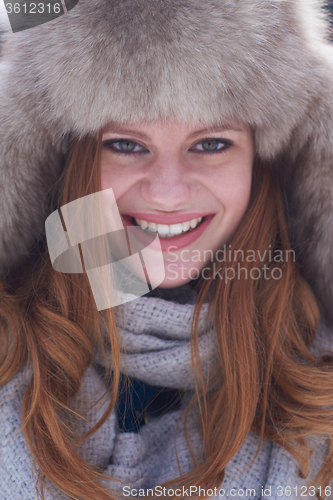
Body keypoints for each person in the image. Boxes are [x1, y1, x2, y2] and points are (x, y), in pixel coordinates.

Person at [1, 1, 333, 499]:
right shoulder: (11, 350)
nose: (168, 193)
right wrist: (67, 248)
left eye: (213, 143)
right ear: (66, 159)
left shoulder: (318, 386)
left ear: (265, 166)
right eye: (127, 145)